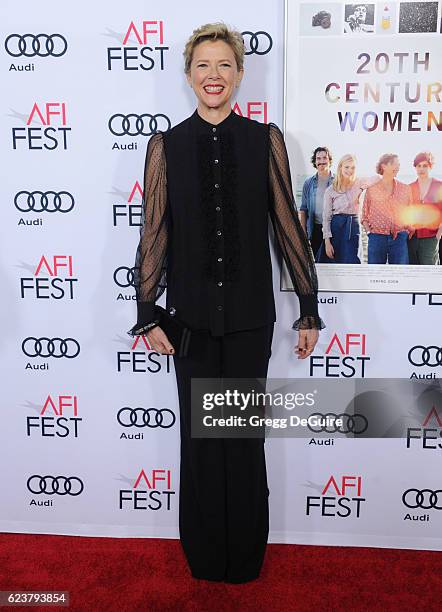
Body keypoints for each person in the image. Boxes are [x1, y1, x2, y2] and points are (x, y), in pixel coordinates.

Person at [129, 23, 324, 584]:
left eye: (224, 66)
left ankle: (244, 558)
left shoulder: (264, 140)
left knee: (239, 440)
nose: (213, 76)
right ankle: (205, 556)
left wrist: (308, 307)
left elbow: (288, 225)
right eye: (203, 66)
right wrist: (147, 313)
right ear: (189, 76)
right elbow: (154, 232)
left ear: (240, 73)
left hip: (247, 321)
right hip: (187, 319)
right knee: (199, 442)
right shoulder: (166, 145)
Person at [317, 154, 380, 263]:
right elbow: (326, 218)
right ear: (340, 167)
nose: (349, 170)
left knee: (353, 261)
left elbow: (378, 178)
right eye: (347, 167)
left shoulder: (359, 182)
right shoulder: (330, 190)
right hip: (336, 228)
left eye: (353, 167)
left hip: (353, 226)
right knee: (332, 263)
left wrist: (361, 188)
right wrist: (327, 242)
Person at [361, 153, 413, 264]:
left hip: (399, 238)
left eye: (398, 164)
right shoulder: (372, 189)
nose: (397, 167)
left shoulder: (405, 189)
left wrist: (406, 231)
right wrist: (369, 233)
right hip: (376, 237)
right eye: (394, 164)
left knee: (401, 275)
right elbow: (364, 215)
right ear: (383, 166)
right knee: (375, 275)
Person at [408, 152, 442, 265]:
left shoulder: (438, 186)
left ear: (430, 166)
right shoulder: (410, 187)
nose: (421, 169)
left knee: (429, 272)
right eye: (419, 166)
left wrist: (438, 235)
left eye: (425, 166)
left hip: (431, 238)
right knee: (413, 273)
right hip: (412, 238)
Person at [299, 146, 334, 258]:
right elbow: (303, 209)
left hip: (333, 228)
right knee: (318, 264)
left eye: (324, 158)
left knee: (333, 261)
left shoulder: (337, 182)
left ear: (329, 160)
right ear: (315, 161)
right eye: (318, 158)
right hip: (315, 229)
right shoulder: (308, 183)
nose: (322, 161)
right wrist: (303, 232)